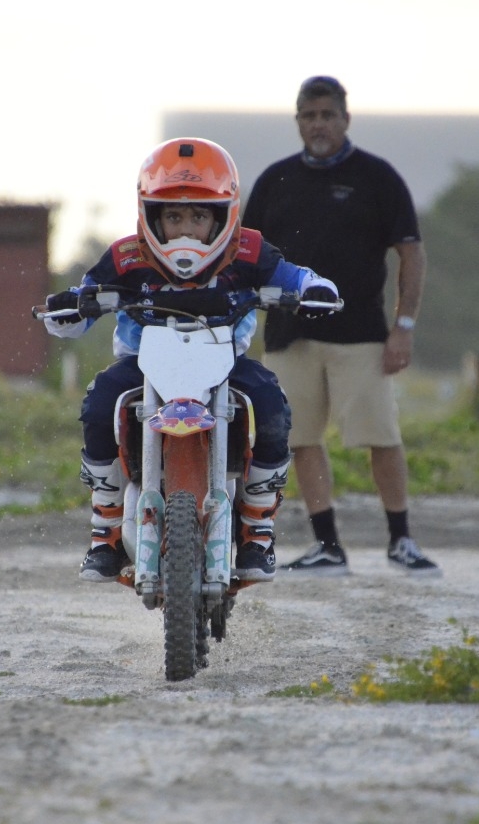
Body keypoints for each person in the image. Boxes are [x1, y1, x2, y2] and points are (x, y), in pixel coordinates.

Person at [42, 137, 339, 584]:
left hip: (225, 361)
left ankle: (257, 529)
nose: (185, 228)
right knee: (101, 404)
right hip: (143, 365)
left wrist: (315, 288)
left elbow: (295, 275)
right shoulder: (126, 256)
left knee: (273, 406)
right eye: (173, 215)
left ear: (223, 214)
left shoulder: (250, 250)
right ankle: (104, 533)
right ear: (151, 215)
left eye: (198, 216)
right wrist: (69, 306)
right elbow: (82, 298)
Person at [241, 75, 439, 576]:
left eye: (328, 115)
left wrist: (405, 326)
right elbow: (246, 254)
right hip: (289, 335)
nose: (319, 124)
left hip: (361, 335)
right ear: (298, 122)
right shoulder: (275, 180)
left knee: (381, 436)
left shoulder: (377, 177)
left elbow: (411, 253)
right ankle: (327, 545)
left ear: (346, 119)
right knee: (299, 439)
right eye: (309, 116)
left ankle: (401, 541)